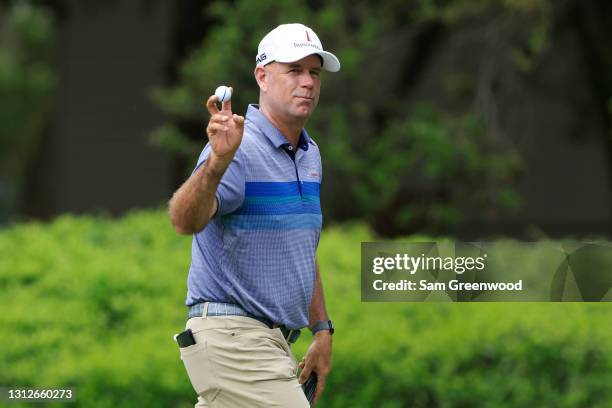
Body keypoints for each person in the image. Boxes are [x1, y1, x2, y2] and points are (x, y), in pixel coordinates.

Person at [169, 23, 340, 407]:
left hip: (272, 341)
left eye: (314, 72)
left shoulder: (309, 155)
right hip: (234, 338)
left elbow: (299, 249)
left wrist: (322, 330)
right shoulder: (237, 149)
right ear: (262, 76)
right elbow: (184, 221)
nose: (308, 82)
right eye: (294, 70)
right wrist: (216, 163)